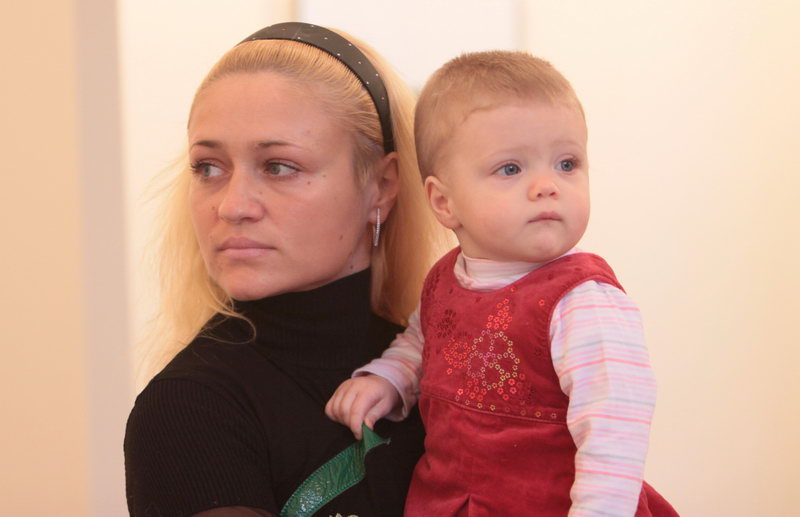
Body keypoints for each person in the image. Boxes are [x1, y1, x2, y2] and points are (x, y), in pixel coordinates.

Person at [326, 51, 678, 516]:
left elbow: (615, 434)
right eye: (511, 168)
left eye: (567, 163)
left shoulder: (583, 301)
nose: (547, 185)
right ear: (444, 202)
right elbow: (422, 345)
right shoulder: (444, 279)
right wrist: (389, 379)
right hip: (449, 500)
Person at [124, 22, 447, 517]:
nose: (232, 206)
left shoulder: (448, 368)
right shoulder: (190, 407)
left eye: (278, 166)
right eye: (209, 167)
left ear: (382, 186)